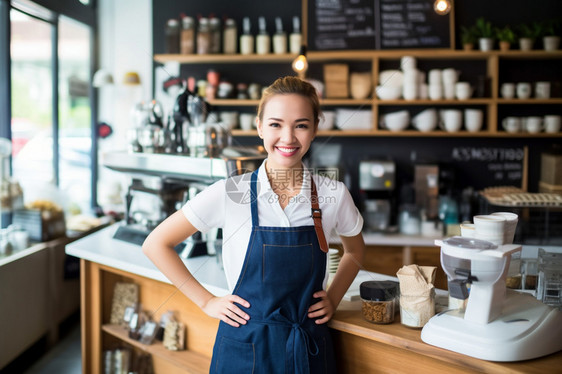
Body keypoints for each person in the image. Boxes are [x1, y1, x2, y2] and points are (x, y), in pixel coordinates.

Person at [143, 76, 365, 373]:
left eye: (301, 125)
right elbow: (156, 244)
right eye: (275, 124)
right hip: (243, 347)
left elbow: (355, 252)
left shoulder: (332, 194)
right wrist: (207, 302)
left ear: (314, 130)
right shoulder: (230, 192)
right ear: (259, 126)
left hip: (309, 347)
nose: (288, 137)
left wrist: (334, 297)